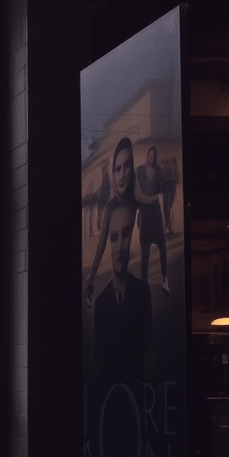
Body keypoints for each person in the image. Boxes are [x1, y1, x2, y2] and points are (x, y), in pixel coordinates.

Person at [84, 137, 168, 307]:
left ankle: (164, 279)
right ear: (113, 173)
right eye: (117, 169)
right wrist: (91, 278)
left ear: (132, 168)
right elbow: (101, 244)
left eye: (127, 166)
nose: (122, 175)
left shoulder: (133, 198)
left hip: (131, 281)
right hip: (117, 279)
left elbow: (143, 198)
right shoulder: (111, 207)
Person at [93, 200, 152, 384]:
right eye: (113, 237)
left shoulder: (142, 292)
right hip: (110, 395)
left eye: (125, 235)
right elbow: (100, 356)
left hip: (136, 389)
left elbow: (146, 344)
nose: (119, 247)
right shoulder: (101, 303)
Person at [135, 145, 169, 294]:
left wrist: (152, 199)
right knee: (145, 250)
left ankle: (164, 279)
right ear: (147, 156)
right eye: (150, 155)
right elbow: (139, 197)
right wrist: (153, 198)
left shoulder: (159, 171)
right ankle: (143, 283)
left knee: (162, 245)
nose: (152, 158)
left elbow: (162, 193)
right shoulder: (140, 171)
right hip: (145, 212)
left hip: (155, 213)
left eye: (154, 156)